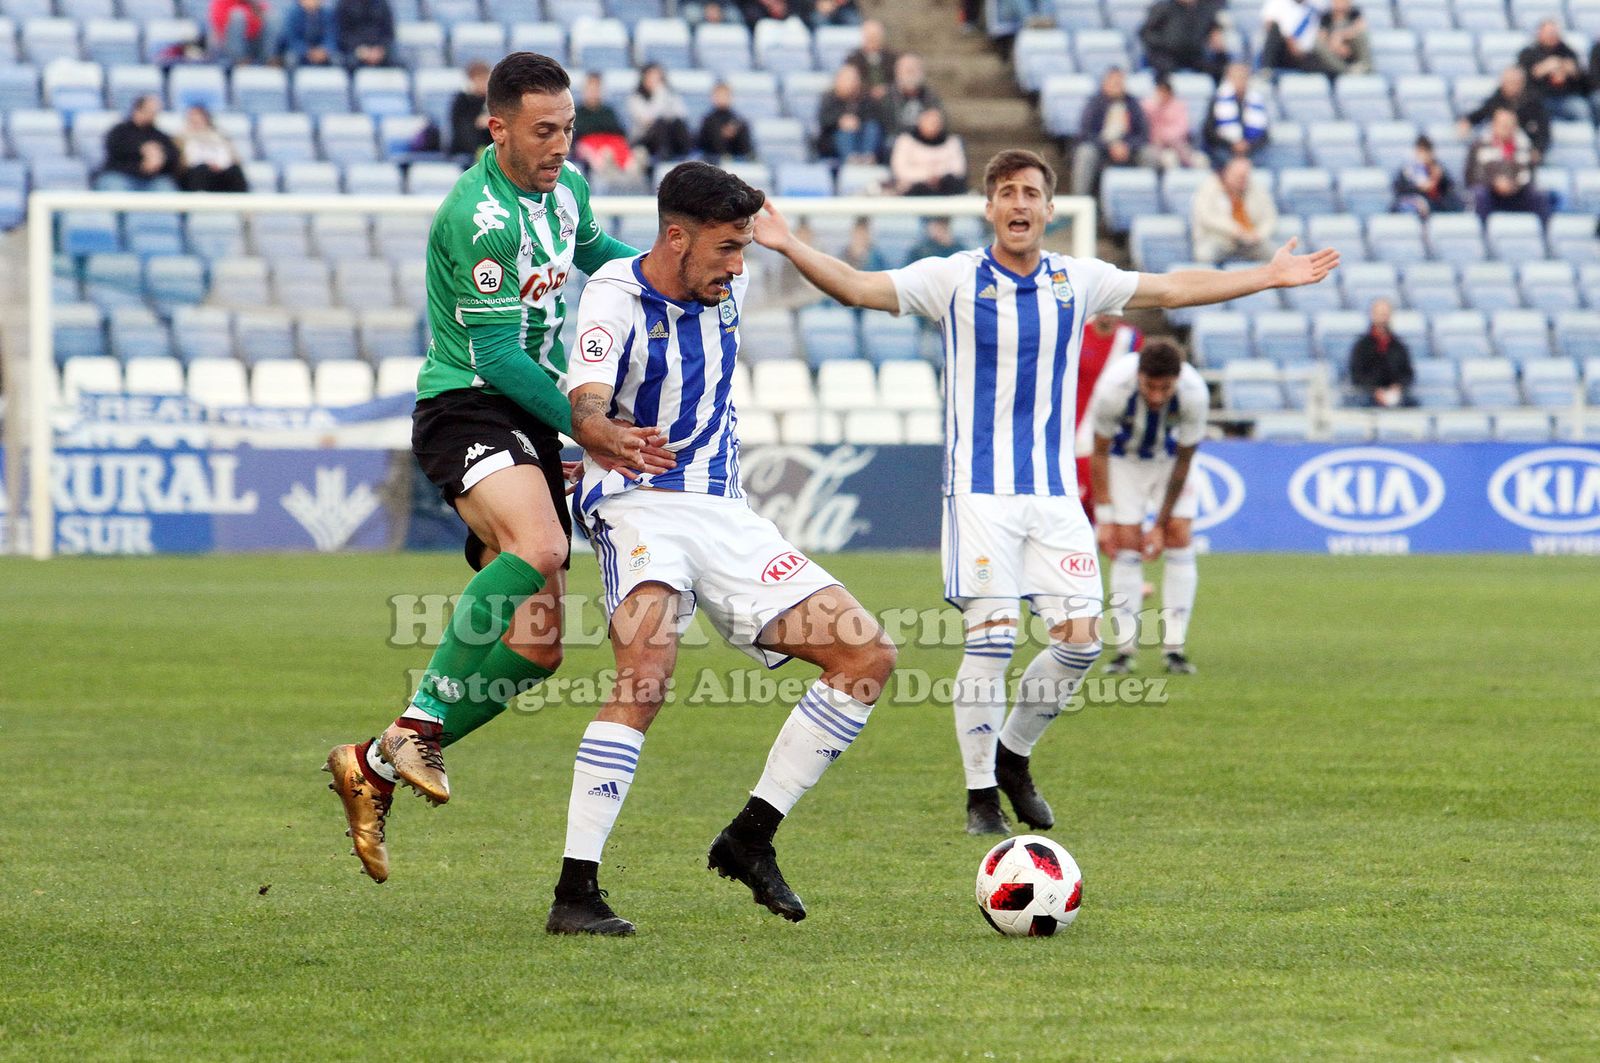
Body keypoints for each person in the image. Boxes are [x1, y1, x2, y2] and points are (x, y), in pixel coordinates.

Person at [752, 147, 1337, 835]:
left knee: (1083, 641)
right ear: (990, 207)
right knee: (993, 637)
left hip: (1055, 495)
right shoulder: (953, 279)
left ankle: (1012, 755)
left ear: (1050, 209)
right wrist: (789, 245)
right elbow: (857, 287)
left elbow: (1174, 289)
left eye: (1030, 192)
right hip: (979, 491)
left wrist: (1265, 277)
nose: (1019, 203)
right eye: (1005, 192)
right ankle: (978, 797)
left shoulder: (1078, 280)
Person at [323, 53, 670, 885]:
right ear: (499, 127)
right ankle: (416, 720)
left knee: (540, 647)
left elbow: (600, 256)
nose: (560, 145)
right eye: (544, 131)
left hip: (530, 417)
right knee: (543, 545)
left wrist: (675, 276)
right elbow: (499, 355)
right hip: (469, 404)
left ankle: (372, 763)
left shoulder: (566, 191)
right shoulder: (476, 218)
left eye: (568, 128)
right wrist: (591, 425)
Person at [548, 161, 898, 935]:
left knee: (867, 656)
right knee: (648, 672)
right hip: (637, 500)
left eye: (745, 249)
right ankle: (576, 890)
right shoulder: (614, 293)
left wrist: (782, 237)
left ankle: (750, 837)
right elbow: (587, 399)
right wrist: (600, 433)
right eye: (728, 249)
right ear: (676, 237)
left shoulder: (724, 281)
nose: (740, 267)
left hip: (724, 510)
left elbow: (848, 286)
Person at [1089, 339, 1210, 676]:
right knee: (1125, 542)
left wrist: (1159, 523)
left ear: (1177, 380)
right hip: (1124, 460)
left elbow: (1185, 459)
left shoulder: (1194, 392)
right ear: (1138, 376)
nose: (1157, 396)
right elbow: (1098, 452)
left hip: (1170, 460)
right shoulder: (1113, 387)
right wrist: (1105, 519)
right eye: (1150, 386)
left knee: (1178, 534)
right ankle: (1124, 651)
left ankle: (1174, 648)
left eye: (1165, 388)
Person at [1075, 314, 1141, 521]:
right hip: (1070, 427)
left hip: (1105, 430)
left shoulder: (1130, 339)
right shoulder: (1077, 329)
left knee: (1098, 502)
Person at [1071, 66, 1149, 197]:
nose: (1117, 86)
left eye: (1120, 83)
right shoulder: (1094, 103)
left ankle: (1145, 198)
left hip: (1128, 149)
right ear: (1105, 84)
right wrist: (1109, 146)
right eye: (1114, 83)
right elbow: (1086, 133)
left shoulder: (1133, 104)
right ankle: (1081, 199)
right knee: (1085, 153)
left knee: (1149, 154)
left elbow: (1143, 134)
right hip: (1101, 148)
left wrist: (1127, 146)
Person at [1466, 106, 1551, 222]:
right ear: (1494, 125)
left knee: (1539, 196)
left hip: (1517, 194)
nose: (1506, 128)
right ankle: (1481, 234)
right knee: (1479, 194)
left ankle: (1545, 236)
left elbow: (1528, 175)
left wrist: (1513, 185)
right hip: (1490, 194)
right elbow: (1472, 176)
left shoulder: (1524, 146)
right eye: (1502, 124)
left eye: (1509, 125)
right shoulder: (1479, 146)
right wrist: (1494, 183)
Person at [1191, 156, 1278, 264]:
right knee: (1204, 255)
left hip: (1250, 241)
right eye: (1238, 176)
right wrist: (1234, 230)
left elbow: (1270, 218)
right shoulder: (1210, 187)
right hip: (1219, 239)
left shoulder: (1256, 188)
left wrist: (1259, 234)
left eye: (1245, 176)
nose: (1242, 180)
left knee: (1275, 254)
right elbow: (1206, 217)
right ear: (1227, 173)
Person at [1460, 66, 1549, 159]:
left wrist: (1538, 149)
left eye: (1515, 82)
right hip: (1498, 145)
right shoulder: (1497, 99)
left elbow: (1543, 131)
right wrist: (1468, 121)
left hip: (1523, 145)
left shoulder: (1533, 103)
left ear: (1522, 83)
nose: (1511, 86)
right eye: (1508, 82)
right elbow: (1482, 113)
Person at [98, 95, 182, 193]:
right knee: (114, 186)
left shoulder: (159, 135)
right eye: (150, 110)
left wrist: (159, 158)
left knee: (166, 188)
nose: (153, 114)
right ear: (138, 109)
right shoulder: (119, 131)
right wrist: (142, 151)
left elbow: (173, 155)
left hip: (152, 180)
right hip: (122, 176)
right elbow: (115, 149)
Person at [1347, 297, 1415, 408]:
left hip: (1396, 397)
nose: (1382, 318)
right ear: (1372, 315)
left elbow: (1407, 374)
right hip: (1368, 396)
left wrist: (1398, 387)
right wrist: (1375, 391)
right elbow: (1357, 376)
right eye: (1379, 313)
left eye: (1385, 314)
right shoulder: (1362, 346)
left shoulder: (1399, 346)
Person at [1519, 19, 1592, 122]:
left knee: (1582, 109)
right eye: (1549, 33)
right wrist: (1542, 68)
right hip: (1540, 98)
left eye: (1554, 33)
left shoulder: (1568, 52)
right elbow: (1521, 78)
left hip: (1565, 97)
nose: (1552, 36)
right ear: (1539, 33)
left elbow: (1584, 81)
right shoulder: (1528, 52)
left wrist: (1574, 72)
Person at [573, 71, 639, 186]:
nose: (594, 92)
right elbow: (578, 133)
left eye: (597, 88)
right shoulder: (577, 111)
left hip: (611, 142)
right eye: (591, 88)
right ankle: (608, 176)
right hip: (587, 144)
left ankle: (627, 180)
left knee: (627, 154)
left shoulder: (608, 111)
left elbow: (619, 131)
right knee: (593, 151)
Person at [817, 63, 889, 163]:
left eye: (854, 79)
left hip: (863, 136)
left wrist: (857, 121)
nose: (851, 83)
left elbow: (876, 117)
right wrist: (840, 121)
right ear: (838, 80)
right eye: (847, 79)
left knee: (872, 127)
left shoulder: (866, 98)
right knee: (845, 132)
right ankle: (851, 160)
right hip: (835, 140)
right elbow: (824, 120)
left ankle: (868, 158)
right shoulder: (829, 98)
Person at [1139, 0, 1226, 80]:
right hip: (1167, 54)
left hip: (1193, 55)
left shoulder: (1205, 10)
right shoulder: (1163, 7)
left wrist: (1216, 37)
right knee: (1162, 69)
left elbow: (1214, 29)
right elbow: (1145, 33)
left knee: (1217, 68)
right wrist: (1167, 42)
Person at [1203, 62, 1269, 167]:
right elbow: (1209, 131)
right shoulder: (1217, 100)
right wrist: (1232, 144)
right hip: (1225, 149)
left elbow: (1265, 135)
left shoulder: (1256, 101)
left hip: (1251, 151)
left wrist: (1249, 145)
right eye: (1236, 77)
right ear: (1228, 79)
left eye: (1243, 77)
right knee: (1223, 158)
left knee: (1260, 158)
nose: (1240, 81)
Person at [889, 106, 967, 195]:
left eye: (936, 123)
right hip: (913, 190)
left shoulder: (952, 142)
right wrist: (926, 176)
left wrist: (938, 177)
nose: (934, 126)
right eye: (930, 122)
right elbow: (900, 170)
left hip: (946, 189)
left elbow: (958, 169)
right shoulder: (906, 141)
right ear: (920, 122)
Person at [627, 63, 693, 163]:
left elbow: (682, 114)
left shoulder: (670, 94)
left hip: (671, 136)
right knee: (660, 123)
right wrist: (659, 94)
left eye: (658, 77)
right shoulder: (635, 98)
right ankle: (664, 156)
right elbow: (647, 120)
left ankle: (688, 156)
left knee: (678, 124)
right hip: (646, 139)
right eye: (651, 76)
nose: (655, 80)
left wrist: (665, 97)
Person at [178, 105, 249, 192]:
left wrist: (218, 165)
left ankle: (240, 201)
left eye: (199, 118)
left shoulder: (220, 137)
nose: (196, 121)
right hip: (196, 173)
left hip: (221, 172)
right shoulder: (181, 138)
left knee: (234, 171)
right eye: (193, 119)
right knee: (201, 170)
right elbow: (183, 163)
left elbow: (233, 158)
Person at [1392, 135, 1462, 217]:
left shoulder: (1438, 169)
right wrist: (1417, 188)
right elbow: (1398, 189)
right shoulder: (1407, 169)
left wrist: (1437, 179)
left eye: (1426, 151)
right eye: (1420, 151)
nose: (1423, 155)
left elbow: (1448, 189)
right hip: (1412, 203)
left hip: (1434, 206)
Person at [1141, 75, 1200, 170]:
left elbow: (1182, 129)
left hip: (1175, 143)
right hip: (1155, 144)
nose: (1162, 94)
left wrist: (1164, 136)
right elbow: (1143, 125)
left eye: (1164, 91)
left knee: (1181, 152)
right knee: (1163, 158)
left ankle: (1189, 164)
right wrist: (1157, 106)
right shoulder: (1148, 105)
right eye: (1160, 90)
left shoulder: (1179, 106)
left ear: (1170, 92)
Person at [1261, 0, 1331, 73]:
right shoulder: (1277, 3)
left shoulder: (1318, 4)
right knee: (1274, 31)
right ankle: (1267, 71)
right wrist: (1290, 42)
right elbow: (1270, 27)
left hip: (1309, 53)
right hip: (1285, 51)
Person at [695, 81, 755, 161]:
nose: (721, 98)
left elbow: (745, 146)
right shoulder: (707, 120)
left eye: (724, 95)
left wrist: (734, 132)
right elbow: (700, 143)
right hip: (712, 159)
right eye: (718, 95)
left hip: (736, 158)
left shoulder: (738, 120)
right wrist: (721, 134)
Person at [888, 54, 942, 139]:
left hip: (925, 138)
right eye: (907, 70)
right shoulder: (888, 96)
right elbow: (889, 125)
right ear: (897, 72)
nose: (910, 73)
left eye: (914, 69)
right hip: (898, 139)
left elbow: (941, 119)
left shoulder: (930, 95)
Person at [846, 19, 900, 102]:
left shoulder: (893, 58)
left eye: (875, 36)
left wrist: (886, 89)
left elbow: (899, 80)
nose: (872, 40)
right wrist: (870, 91)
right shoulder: (853, 60)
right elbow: (850, 82)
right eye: (869, 37)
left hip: (891, 99)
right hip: (862, 101)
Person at [1314, 0, 1370, 76]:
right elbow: (1322, 37)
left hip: (1351, 50)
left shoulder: (1354, 13)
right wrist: (1335, 46)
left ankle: (1365, 66)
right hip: (1334, 55)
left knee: (1362, 35)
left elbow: (1361, 28)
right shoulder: (1326, 16)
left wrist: (1340, 36)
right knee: (1317, 44)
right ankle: (1346, 71)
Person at [449, 60, 492, 158]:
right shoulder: (462, 100)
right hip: (466, 147)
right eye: (481, 79)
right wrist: (477, 123)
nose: (484, 83)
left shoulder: (492, 99)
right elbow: (459, 128)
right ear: (472, 80)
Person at [209, 0, 271, 65]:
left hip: (254, 42)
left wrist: (254, 6)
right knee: (238, 15)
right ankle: (239, 61)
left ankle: (270, 60)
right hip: (229, 44)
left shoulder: (255, 3)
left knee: (272, 17)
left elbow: (265, 15)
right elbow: (220, 27)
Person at [335, 0, 393, 68]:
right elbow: (342, 34)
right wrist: (361, 50)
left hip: (379, 50)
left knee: (401, 60)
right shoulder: (344, 4)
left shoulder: (382, 3)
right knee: (348, 62)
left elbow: (388, 32)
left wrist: (380, 49)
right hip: (354, 50)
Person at [279, 0, 338, 67]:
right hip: (301, 52)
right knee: (291, 58)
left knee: (336, 58)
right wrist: (307, 51)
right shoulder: (292, 14)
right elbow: (291, 39)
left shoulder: (328, 14)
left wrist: (325, 50)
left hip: (322, 52)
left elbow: (331, 36)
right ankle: (291, 77)